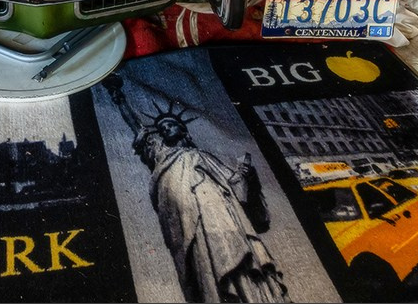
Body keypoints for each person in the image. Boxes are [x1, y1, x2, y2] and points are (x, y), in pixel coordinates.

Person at [103, 74, 289, 303]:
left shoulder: (203, 156)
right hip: (183, 215)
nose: (164, 129)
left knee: (231, 247)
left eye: (169, 125)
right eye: (161, 127)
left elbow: (237, 188)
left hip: (218, 207)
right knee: (200, 257)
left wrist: (248, 175)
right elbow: (136, 126)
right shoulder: (160, 154)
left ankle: (249, 295)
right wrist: (118, 97)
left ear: (182, 130)